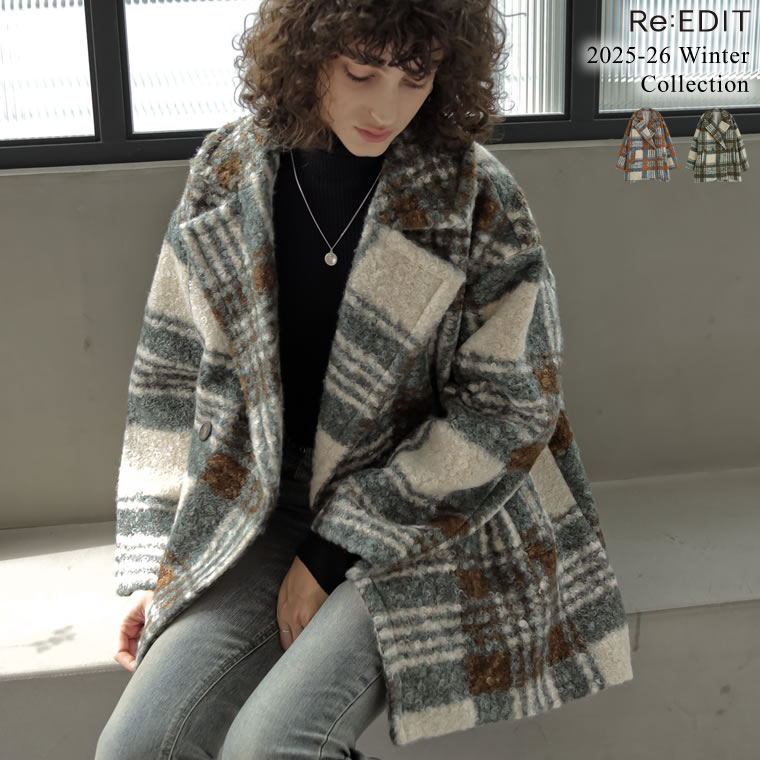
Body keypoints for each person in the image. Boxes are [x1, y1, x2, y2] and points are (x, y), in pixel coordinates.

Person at [96, 1, 633, 758]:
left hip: (436, 515)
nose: (386, 107)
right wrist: (171, 567)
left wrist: (329, 553)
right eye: (361, 72)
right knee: (137, 748)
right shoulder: (228, 171)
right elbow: (173, 370)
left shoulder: (476, 198)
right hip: (262, 506)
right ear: (306, 52)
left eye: (416, 79)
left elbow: (511, 409)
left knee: (270, 747)